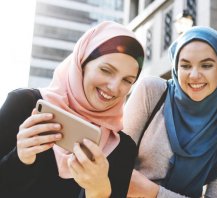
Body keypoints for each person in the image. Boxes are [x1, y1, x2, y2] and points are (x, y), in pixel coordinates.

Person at [0, 21, 144, 197]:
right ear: (81, 63)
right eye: (106, 70)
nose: (114, 87)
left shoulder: (122, 148)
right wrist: (21, 158)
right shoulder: (24, 106)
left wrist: (99, 190)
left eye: (127, 80)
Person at [122, 26, 217, 198]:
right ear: (176, 67)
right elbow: (116, 166)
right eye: (185, 65)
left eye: (206, 65)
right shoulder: (152, 92)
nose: (194, 75)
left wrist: (154, 192)